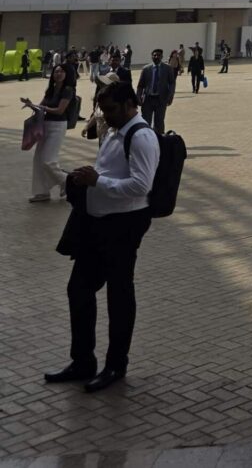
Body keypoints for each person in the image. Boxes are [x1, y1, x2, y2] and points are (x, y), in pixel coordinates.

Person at [44, 80, 158, 394]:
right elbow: (110, 173)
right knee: (78, 290)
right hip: (97, 224)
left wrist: (98, 181)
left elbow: (141, 186)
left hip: (123, 227)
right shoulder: (114, 132)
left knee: (119, 297)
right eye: (102, 110)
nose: (105, 116)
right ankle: (83, 360)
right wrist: (90, 176)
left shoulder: (142, 136)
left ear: (129, 105)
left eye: (110, 110)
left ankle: (115, 365)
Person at [23, 65, 76, 202]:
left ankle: (67, 181)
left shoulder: (68, 90)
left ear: (66, 74)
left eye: (62, 71)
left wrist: (43, 107)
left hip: (58, 126)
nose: (58, 74)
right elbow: (40, 108)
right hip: (45, 126)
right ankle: (42, 192)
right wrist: (31, 104)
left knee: (48, 159)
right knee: (39, 159)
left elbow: (59, 110)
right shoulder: (50, 90)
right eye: (56, 71)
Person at [135, 50, 175, 135]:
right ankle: (145, 139)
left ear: (162, 57)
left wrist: (170, 95)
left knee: (159, 122)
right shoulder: (146, 69)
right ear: (151, 56)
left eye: (158, 55)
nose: (156, 57)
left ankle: (159, 141)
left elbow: (172, 82)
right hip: (148, 100)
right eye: (154, 55)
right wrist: (138, 97)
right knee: (146, 121)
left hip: (161, 99)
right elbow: (140, 85)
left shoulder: (167, 68)